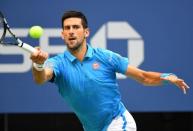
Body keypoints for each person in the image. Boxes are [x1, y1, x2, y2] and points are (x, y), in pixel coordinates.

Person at [30, 10, 189, 131]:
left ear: (86, 32)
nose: (71, 31)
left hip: (118, 121)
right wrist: (38, 65)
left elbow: (143, 77)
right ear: (62, 35)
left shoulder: (106, 57)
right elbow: (40, 78)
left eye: (76, 27)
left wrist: (166, 76)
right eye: (67, 28)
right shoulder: (56, 63)